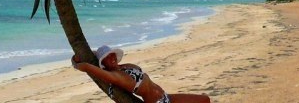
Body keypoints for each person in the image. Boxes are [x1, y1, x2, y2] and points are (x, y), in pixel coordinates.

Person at [72, 45, 211, 103]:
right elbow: (86, 67)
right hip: (156, 102)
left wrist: (97, 54)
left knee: (205, 100)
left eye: (112, 54)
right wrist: (75, 62)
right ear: (103, 64)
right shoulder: (115, 76)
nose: (112, 57)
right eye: (107, 58)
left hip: (167, 97)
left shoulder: (123, 67)